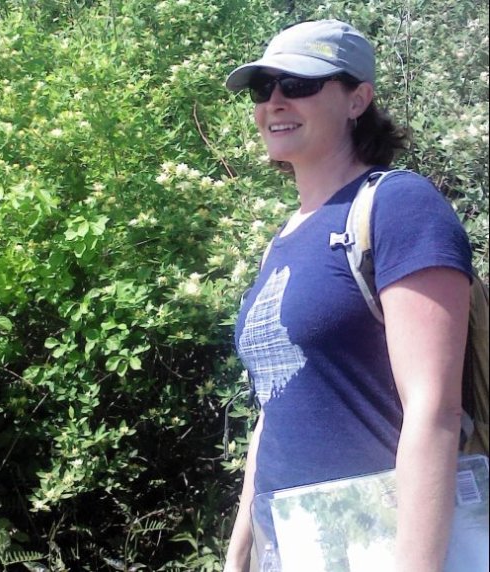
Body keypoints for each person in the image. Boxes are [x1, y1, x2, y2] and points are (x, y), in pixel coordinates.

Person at [222, 19, 473, 572]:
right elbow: (276, 409)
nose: (276, 101)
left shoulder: (398, 206)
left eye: (300, 84)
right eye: (265, 88)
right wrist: (239, 552)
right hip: (292, 543)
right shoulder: (282, 243)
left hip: (378, 539)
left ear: (358, 98)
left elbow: (434, 408)